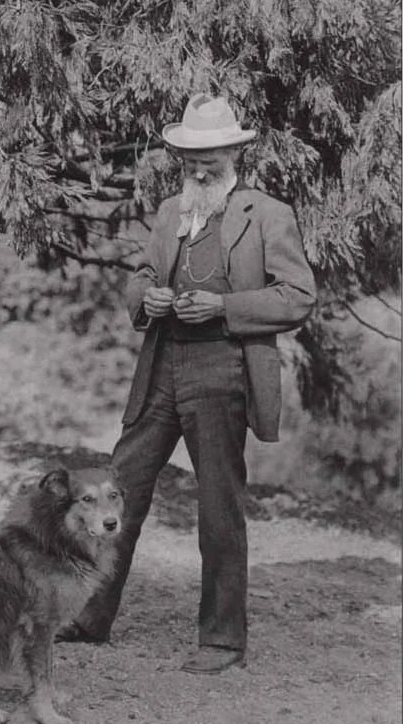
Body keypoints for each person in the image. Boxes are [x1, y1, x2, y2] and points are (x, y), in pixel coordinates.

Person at [57, 93, 317, 673]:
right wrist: (144, 298)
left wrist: (224, 307)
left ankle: (222, 640)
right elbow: (144, 274)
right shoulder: (174, 209)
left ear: (234, 152)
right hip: (161, 367)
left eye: (212, 156)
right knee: (118, 490)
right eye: (191, 158)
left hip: (223, 370)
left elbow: (298, 296)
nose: (201, 168)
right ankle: (90, 618)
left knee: (219, 505)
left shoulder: (268, 214)